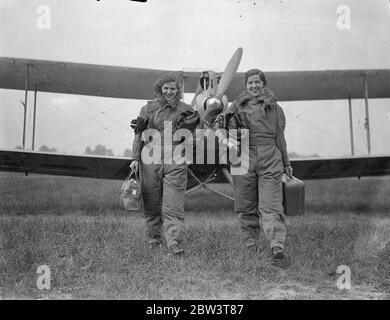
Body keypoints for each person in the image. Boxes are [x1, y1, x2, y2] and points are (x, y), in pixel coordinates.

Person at [220, 69, 293, 260]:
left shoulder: (275, 109)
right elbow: (219, 125)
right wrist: (224, 137)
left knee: (271, 205)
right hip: (242, 154)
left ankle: (276, 245)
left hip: (270, 156)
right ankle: (250, 243)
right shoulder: (235, 106)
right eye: (250, 83)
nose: (253, 86)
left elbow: (280, 137)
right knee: (245, 205)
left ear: (264, 84)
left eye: (257, 83)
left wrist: (286, 162)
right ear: (246, 86)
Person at [130, 74, 200, 255]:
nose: (169, 92)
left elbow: (195, 136)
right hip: (149, 158)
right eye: (166, 88)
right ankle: (153, 238)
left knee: (173, 203)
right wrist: (135, 159)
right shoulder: (147, 109)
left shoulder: (187, 109)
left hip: (176, 159)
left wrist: (189, 146)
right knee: (151, 201)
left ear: (178, 91)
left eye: (173, 89)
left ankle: (174, 242)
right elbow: (138, 135)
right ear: (160, 90)